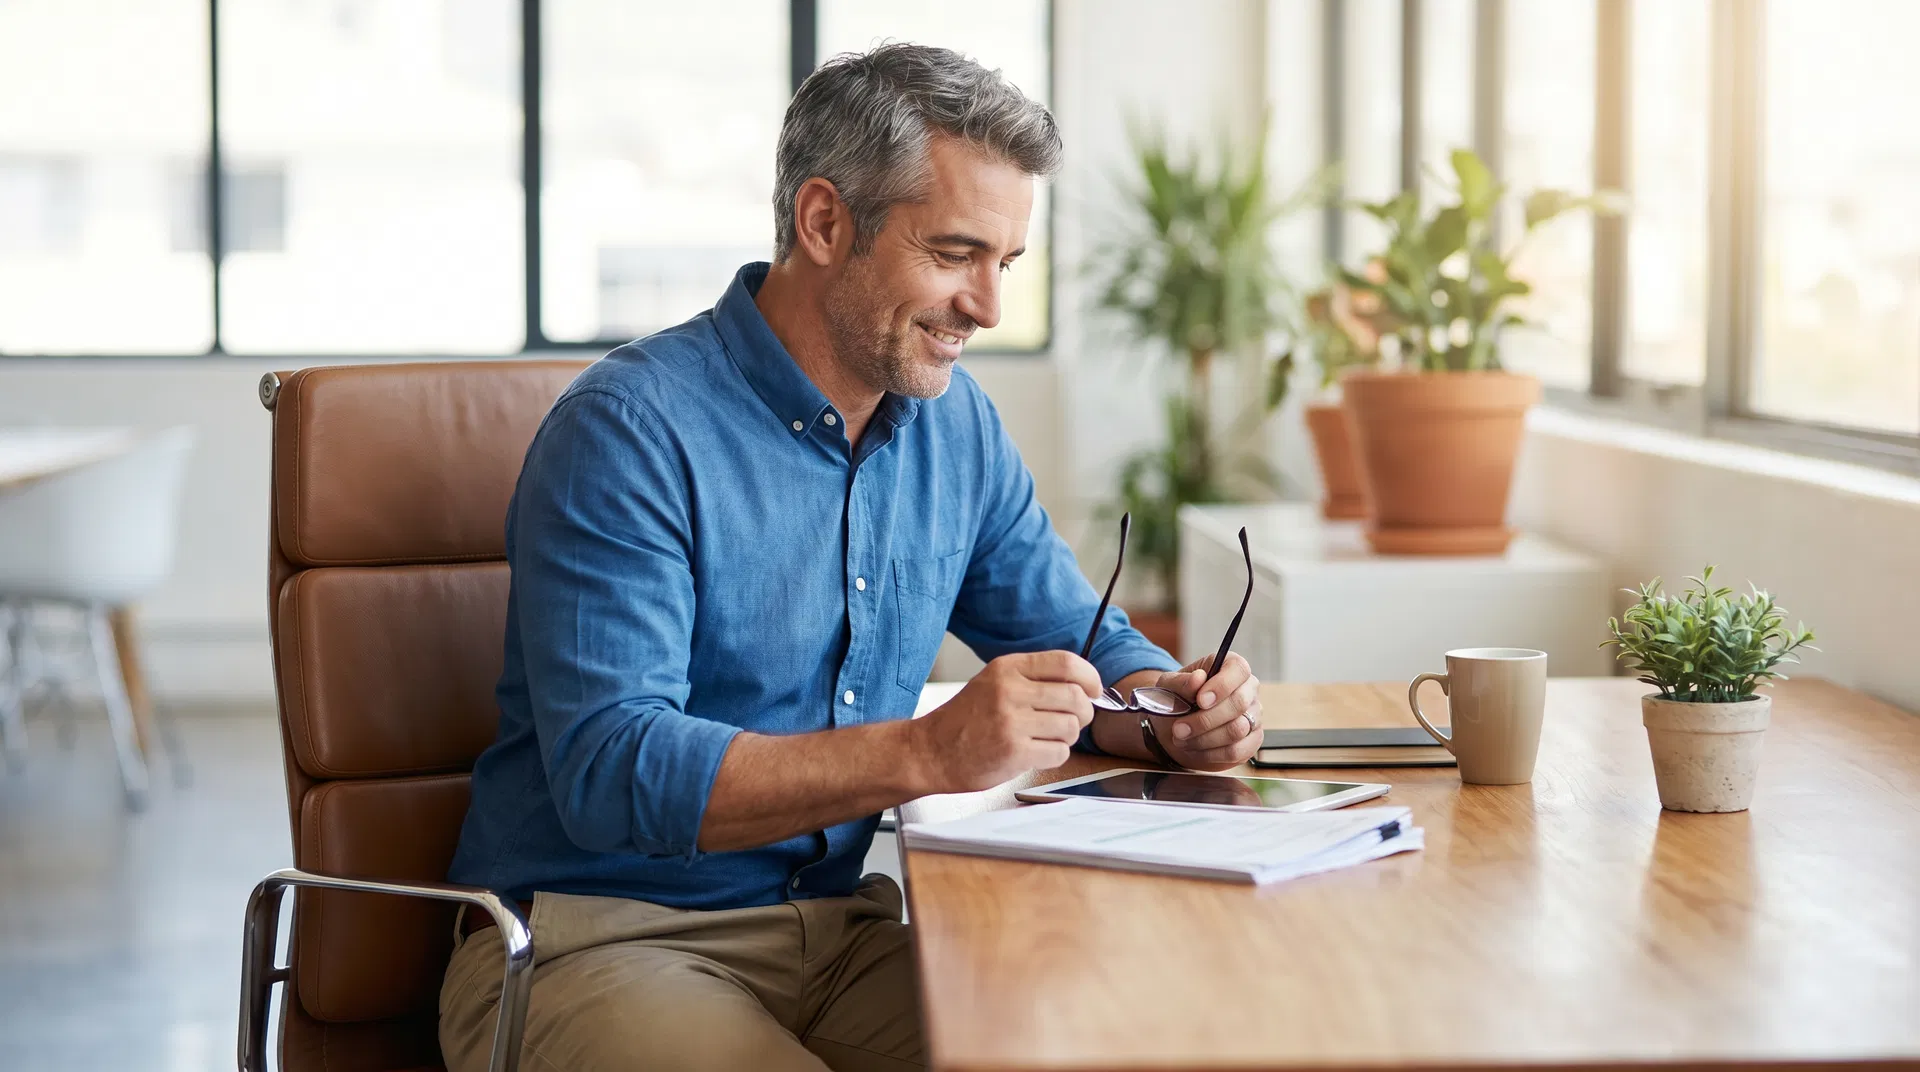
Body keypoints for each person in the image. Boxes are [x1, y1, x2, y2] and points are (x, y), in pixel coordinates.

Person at [438, 42, 1265, 1072]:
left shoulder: (952, 430)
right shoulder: (629, 430)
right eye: (956, 253)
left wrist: (1170, 706)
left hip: (839, 937)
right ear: (824, 222)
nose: (988, 307)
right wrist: (924, 753)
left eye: (1004, 264)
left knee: (1112, 1046)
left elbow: (1076, 634)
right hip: (591, 943)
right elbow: (613, 769)